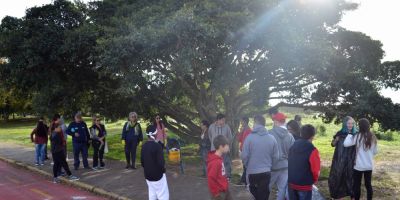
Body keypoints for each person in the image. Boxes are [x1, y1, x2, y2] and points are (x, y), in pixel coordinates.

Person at [241, 115, 279, 200]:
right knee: (263, 196)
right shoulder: (272, 138)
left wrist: (247, 165)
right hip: (266, 171)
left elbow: (244, 156)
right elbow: (276, 157)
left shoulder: (249, 138)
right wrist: (270, 166)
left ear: (255, 123)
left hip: (252, 172)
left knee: (253, 195)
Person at [344, 118, 378, 200]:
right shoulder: (373, 137)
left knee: (357, 185)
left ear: (359, 126)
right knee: (368, 185)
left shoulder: (357, 136)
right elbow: (375, 152)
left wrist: (349, 134)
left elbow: (345, 144)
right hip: (369, 166)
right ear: (368, 126)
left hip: (358, 166)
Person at [288, 124, 321, 200]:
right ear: (313, 136)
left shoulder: (292, 146)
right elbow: (316, 170)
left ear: (300, 134)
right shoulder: (313, 150)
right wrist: (314, 180)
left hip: (292, 182)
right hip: (305, 185)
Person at [328, 116, 357, 199]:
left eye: (352, 123)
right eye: (348, 123)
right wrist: (336, 140)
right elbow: (332, 144)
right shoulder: (340, 133)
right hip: (340, 159)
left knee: (351, 177)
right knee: (339, 176)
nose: (350, 125)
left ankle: (353, 196)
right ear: (345, 124)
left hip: (351, 159)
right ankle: (338, 195)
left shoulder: (356, 134)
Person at [269, 112, 295, 200]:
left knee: (266, 188)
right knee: (282, 189)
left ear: (276, 121)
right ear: (284, 121)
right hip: (285, 166)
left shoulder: (269, 134)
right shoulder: (290, 135)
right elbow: (293, 152)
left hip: (272, 166)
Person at [141, 125, 169, 200]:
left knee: (152, 192)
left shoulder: (144, 146)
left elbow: (142, 162)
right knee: (162, 194)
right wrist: (163, 170)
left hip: (147, 175)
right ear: (156, 134)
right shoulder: (157, 146)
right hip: (158, 176)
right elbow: (161, 163)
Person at [208, 114, 233, 179]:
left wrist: (226, 147)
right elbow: (210, 136)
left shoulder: (227, 127)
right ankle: (216, 176)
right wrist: (214, 145)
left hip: (224, 149)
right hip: (214, 149)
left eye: (224, 120)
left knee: (226, 163)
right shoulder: (211, 126)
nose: (224, 121)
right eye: (222, 120)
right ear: (218, 120)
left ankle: (227, 177)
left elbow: (230, 138)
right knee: (215, 164)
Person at [207, 135, 232, 200]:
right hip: (219, 194)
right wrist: (216, 194)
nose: (228, 147)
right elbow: (211, 178)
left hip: (225, 189)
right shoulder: (215, 162)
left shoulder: (219, 159)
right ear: (221, 147)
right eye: (227, 145)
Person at [237, 116, 252, 185]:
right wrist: (240, 132)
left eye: (242, 121)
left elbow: (247, 142)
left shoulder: (249, 131)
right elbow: (239, 140)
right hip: (242, 150)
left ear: (245, 122)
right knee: (244, 165)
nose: (241, 123)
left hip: (246, 151)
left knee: (246, 165)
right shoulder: (244, 130)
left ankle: (245, 181)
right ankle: (244, 180)